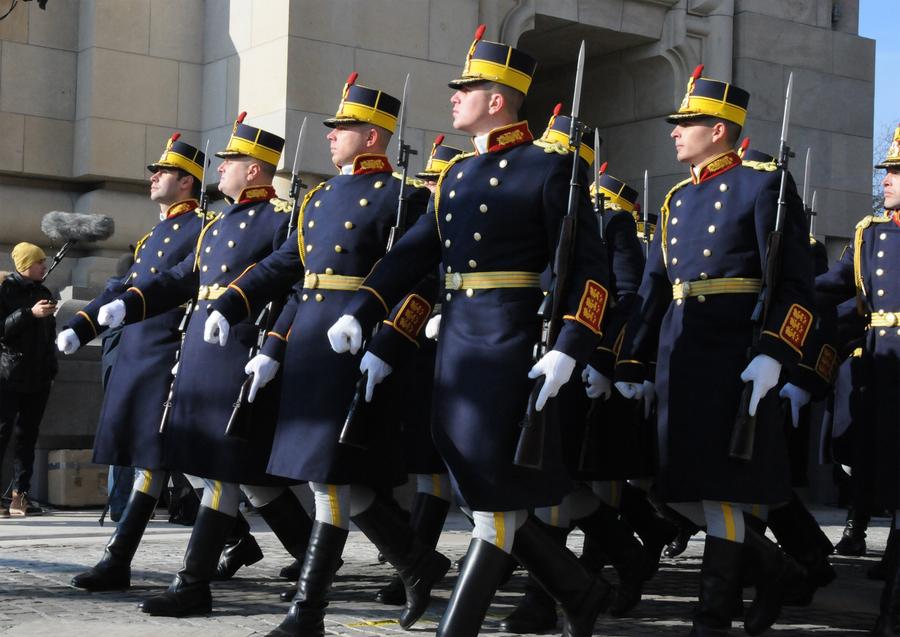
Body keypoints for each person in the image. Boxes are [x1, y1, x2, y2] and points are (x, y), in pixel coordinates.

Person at [327, 25, 614, 637]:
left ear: (498, 99)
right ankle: (579, 590)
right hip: (458, 343)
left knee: (493, 491)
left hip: (509, 341)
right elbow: (413, 253)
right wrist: (361, 309)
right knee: (478, 485)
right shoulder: (456, 175)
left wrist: (570, 346)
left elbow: (590, 272)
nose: (455, 96)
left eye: (468, 88)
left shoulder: (550, 168)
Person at [203, 73, 449, 637]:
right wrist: (242, 313)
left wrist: (389, 341)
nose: (331, 135)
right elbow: (291, 273)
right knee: (329, 478)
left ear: (373, 137)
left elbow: (420, 282)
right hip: (312, 347)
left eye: (343, 128)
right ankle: (417, 563)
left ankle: (307, 611)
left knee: (330, 480)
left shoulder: (405, 197)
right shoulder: (315, 199)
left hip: (358, 347)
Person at [614, 65, 814, 636]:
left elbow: (794, 283)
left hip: (733, 354)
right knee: (677, 488)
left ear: (720, 130)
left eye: (688, 123)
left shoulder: (763, 184)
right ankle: (774, 568)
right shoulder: (677, 199)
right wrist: (631, 360)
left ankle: (712, 617)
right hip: (681, 353)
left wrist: (776, 351)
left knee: (722, 488)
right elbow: (653, 289)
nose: (675, 132)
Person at [95, 115, 312, 616]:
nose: (221, 167)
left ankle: (193, 583)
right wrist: (125, 305)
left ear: (254, 169)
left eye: (230, 160)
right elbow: (182, 281)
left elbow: (292, 289)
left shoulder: (281, 218)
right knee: (223, 471)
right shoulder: (216, 226)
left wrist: (272, 347)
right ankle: (313, 558)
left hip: (240, 352)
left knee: (221, 471)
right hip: (201, 352)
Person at [782, 122, 900, 634]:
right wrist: (784, 288)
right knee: (879, 468)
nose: (887, 180)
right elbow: (834, 288)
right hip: (880, 367)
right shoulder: (870, 233)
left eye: (897, 172)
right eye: (888, 171)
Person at [0, 243, 57, 517]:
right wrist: (29, 313)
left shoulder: (43, 292)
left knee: (28, 437)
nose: (44, 266)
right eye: (39, 262)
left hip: (38, 378)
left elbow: (49, 337)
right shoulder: (5, 290)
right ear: (25, 264)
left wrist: (52, 370)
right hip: (8, 375)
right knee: (2, 433)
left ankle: (19, 496)